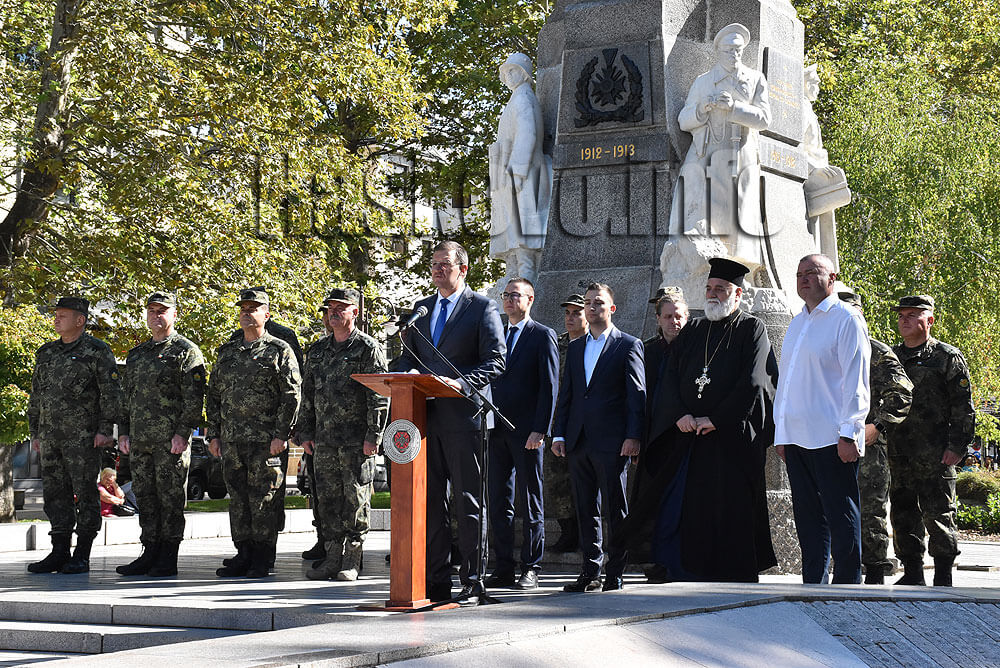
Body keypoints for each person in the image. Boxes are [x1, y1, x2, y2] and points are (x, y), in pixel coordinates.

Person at [633, 258, 777, 582]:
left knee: (729, 506)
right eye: (710, 288)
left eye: (721, 289)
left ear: (737, 294)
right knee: (687, 504)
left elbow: (755, 380)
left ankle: (729, 571)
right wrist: (680, 414)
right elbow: (670, 376)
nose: (712, 294)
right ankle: (682, 568)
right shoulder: (695, 328)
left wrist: (717, 419)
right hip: (691, 436)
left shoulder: (752, 328)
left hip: (730, 438)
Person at [395, 241, 505, 604]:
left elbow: (496, 360)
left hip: (465, 419)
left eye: (445, 264)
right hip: (426, 420)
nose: (437, 270)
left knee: (468, 501)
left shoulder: (482, 307)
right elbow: (408, 358)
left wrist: (461, 383)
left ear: (463, 269)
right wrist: (404, 374)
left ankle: (473, 580)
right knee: (430, 504)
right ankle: (435, 581)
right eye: (434, 264)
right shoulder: (422, 309)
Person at [774, 254, 870, 584]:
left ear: (832, 278)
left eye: (812, 272)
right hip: (797, 438)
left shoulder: (846, 318)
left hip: (832, 437)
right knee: (808, 519)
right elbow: (787, 382)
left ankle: (847, 585)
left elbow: (856, 380)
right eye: (799, 273)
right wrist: (782, 433)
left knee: (841, 516)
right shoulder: (797, 322)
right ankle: (812, 584)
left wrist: (849, 432)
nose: (803, 279)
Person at [551, 283, 644, 592]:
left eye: (599, 302)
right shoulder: (576, 347)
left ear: (611, 308)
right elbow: (567, 394)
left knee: (615, 508)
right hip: (578, 440)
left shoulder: (628, 345)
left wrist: (633, 436)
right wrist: (559, 433)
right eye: (588, 302)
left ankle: (615, 571)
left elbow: (636, 396)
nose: (592, 307)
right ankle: (590, 571)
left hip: (613, 442)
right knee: (585, 508)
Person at [208, 287, 301, 578]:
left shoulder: (279, 349)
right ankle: (244, 552)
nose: (247, 313)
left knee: (265, 499)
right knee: (238, 499)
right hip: (233, 440)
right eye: (244, 309)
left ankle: (263, 556)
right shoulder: (228, 352)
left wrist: (282, 434)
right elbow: (214, 395)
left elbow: (292, 395)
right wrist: (214, 434)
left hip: (265, 441)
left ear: (267, 314)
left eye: (254, 308)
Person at [297, 288, 389, 581]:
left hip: (355, 442)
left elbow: (379, 396)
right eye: (330, 308)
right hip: (324, 441)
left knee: (355, 500)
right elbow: (308, 394)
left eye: (341, 307)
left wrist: (374, 435)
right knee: (327, 502)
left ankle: (352, 560)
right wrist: (305, 431)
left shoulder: (367, 348)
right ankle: (331, 557)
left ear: (355, 312)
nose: (334, 312)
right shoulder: (317, 351)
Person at [27, 297, 123, 575]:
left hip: (83, 438)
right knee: (55, 494)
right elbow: (37, 395)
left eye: (63, 315)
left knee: (86, 493)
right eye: (56, 314)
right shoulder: (46, 352)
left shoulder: (97, 351)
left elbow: (111, 394)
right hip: (51, 437)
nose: (56, 319)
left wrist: (105, 430)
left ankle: (82, 553)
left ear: (80, 320)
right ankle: (59, 551)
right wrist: (36, 432)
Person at [115, 292, 205, 577]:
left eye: (162, 310)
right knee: (145, 497)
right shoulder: (137, 354)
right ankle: (149, 551)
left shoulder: (186, 351)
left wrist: (183, 433)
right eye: (152, 310)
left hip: (170, 443)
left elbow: (194, 399)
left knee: (170, 499)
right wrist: (124, 433)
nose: (156, 315)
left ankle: (168, 555)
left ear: (174, 315)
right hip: (140, 442)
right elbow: (126, 399)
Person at [889, 295, 975, 587]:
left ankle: (943, 573)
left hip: (936, 453)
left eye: (912, 315)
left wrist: (957, 446)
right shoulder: (892, 357)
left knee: (939, 512)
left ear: (930, 320)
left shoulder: (946, 357)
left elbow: (963, 406)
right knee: (902, 512)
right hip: (899, 452)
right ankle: (912, 570)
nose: (905, 320)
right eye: (902, 315)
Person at [837, 287, 913, 585]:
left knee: (870, 511)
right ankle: (843, 571)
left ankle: (876, 574)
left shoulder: (876, 351)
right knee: (835, 509)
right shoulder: (822, 348)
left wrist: (877, 426)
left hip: (867, 446)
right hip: (828, 442)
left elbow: (902, 393)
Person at [486, 278, 558, 591]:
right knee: (498, 501)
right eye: (506, 295)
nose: (509, 300)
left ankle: (531, 567)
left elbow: (549, 386)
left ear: (530, 299)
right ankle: (503, 566)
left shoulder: (542, 335)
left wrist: (540, 429)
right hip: (495, 430)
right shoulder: (496, 334)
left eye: (516, 295)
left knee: (530, 500)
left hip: (527, 431)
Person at [545, 294, 588, 553]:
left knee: (584, 480)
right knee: (556, 480)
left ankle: (587, 532)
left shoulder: (593, 343)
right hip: (556, 423)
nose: (570, 318)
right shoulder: (556, 344)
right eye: (567, 313)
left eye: (576, 313)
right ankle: (567, 531)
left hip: (583, 423)